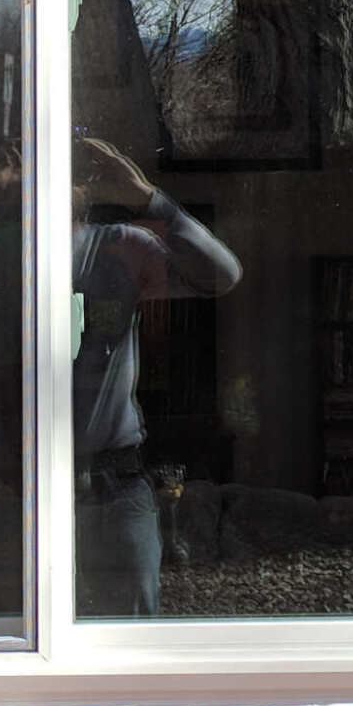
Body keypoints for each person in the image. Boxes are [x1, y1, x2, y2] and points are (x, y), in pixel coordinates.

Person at [72, 138, 241, 616]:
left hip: (114, 481)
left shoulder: (119, 245)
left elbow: (222, 275)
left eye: (71, 167)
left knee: (128, 637)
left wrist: (149, 199)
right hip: (20, 489)